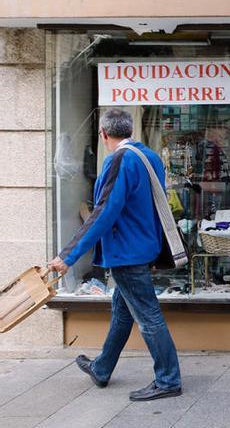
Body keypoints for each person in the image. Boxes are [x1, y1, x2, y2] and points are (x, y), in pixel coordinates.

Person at [48, 108, 182, 401]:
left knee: (148, 317)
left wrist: (68, 256)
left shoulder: (120, 159)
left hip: (127, 253)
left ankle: (169, 379)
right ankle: (102, 367)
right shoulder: (149, 156)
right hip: (142, 247)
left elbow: (105, 212)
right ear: (130, 130)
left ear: (104, 134)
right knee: (122, 311)